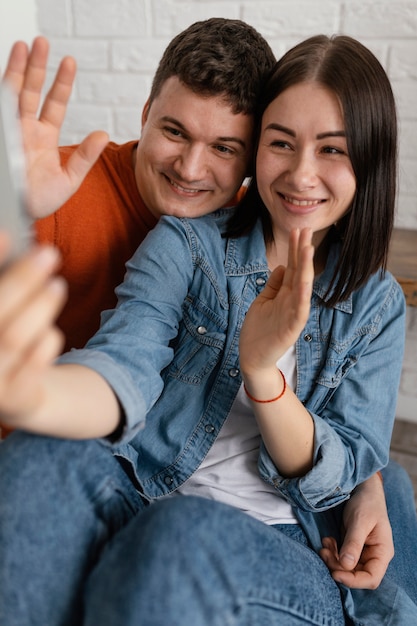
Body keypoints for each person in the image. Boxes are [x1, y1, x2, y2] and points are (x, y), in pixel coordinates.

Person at [0, 33, 416, 625]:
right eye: (281, 143)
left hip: (281, 543)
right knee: (40, 455)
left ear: (369, 161)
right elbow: (125, 361)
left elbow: (341, 470)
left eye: (332, 150)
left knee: (183, 533)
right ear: (257, 155)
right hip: (143, 493)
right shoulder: (186, 243)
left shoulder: (376, 307)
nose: (301, 175)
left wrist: (262, 371)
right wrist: (32, 393)